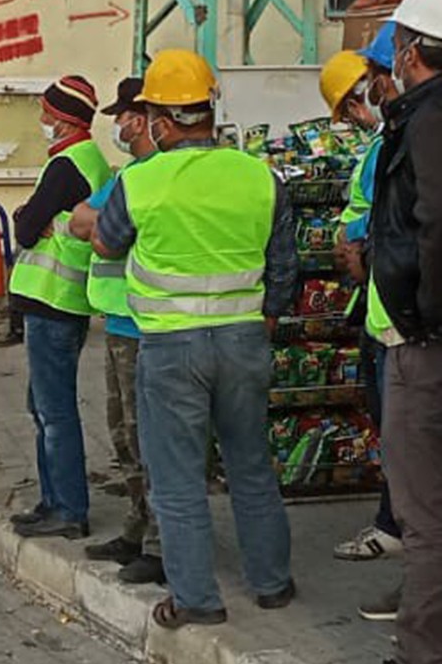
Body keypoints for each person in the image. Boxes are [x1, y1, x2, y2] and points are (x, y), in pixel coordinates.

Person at [92, 49, 297, 630]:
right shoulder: (260, 175)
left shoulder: (140, 180)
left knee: (178, 478)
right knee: (252, 466)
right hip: (243, 340)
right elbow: (283, 265)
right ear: (208, 110)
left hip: (171, 348)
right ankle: (273, 585)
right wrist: (267, 318)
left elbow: (107, 243)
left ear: (158, 120)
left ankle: (196, 600)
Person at [331, 0, 442, 664]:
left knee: (423, 514)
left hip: (422, 342)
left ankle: (423, 662)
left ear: (409, 50)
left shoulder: (426, 123)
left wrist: (420, 316)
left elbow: (434, 227)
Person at [67, 78, 162, 584]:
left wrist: (107, 222)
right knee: (123, 434)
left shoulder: (152, 176)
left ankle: (157, 541)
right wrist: (108, 220)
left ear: (144, 118)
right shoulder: (128, 175)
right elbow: (79, 223)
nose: (118, 125)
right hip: (118, 321)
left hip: (145, 323)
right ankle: (136, 525)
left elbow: (97, 231)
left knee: (147, 438)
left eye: (124, 115)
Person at [10, 74, 113, 541]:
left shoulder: (68, 165)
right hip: (63, 300)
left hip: (53, 299)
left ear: (66, 120)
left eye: (48, 115)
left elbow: (27, 227)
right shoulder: (87, 160)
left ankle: (68, 508)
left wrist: (27, 217)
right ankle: (52, 500)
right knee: (45, 407)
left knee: (53, 411)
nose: (42, 122)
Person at [325, 29, 405, 580]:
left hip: (395, 313)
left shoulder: (403, 140)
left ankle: (398, 530)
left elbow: (388, 217)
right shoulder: (388, 142)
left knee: (402, 435)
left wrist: (356, 241)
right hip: (381, 305)